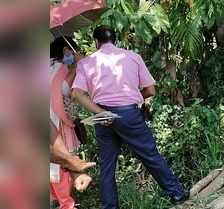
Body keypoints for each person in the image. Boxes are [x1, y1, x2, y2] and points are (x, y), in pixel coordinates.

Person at [71, 26, 187, 209]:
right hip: (128, 112)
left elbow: (77, 94)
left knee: (107, 165)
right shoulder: (133, 57)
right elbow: (150, 90)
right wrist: (131, 101)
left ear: (96, 42)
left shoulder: (86, 62)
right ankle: (177, 194)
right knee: (150, 155)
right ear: (115, 40)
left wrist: (100, 112)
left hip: (101, 115)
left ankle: (109, 206)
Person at [50, 37, 93, 209]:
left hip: (52, 119)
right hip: (56, 121)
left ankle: (57, 200)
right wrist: (76, 67)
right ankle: (65, 202)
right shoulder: (60, 68)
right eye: (70, 52)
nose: (72, 55)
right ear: (64, 52)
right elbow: (65, 90)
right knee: (62, 159)